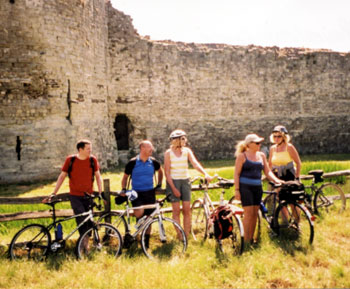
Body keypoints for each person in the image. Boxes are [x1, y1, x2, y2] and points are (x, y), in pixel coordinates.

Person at [43, 139, 103, 246]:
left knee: (89, 223)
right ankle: (84, 248)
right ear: (80, 149)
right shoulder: (71, 160)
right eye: (88, 148)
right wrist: (54, 192)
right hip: (75, 196)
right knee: (81, 221)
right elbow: (62, 176)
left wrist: (100, 192)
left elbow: (98, 177)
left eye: (90, 148)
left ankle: (84, 247)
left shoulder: (92, 160)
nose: (90, 150)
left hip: (89, 197)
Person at [164, 129, 214, 238]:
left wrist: (205, 173)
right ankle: (179, 235)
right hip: (174, 182)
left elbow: (195, 164)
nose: (185, 140)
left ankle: (186, 234)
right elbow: (167, 172)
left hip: (185, 181)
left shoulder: (187, 151)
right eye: (182, 138)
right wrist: (174, 188)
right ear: (176, 140)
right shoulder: (168, 153)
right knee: (176, 211)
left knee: (187, 210)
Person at [234, 133, 282, 245]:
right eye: (257, 143)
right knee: (248, 213)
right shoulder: (242, 156)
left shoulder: (261, 155)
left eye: (260, 143)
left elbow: (267, 171)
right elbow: (236, 174)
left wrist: (277, 180)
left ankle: (251, 239)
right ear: (249, 144)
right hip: (245, 187)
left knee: (255, 213)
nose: (259, 144)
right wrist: (237, 190)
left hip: (257, 187)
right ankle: (245, 240)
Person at [121, 140, 163, 220]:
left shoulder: (153, 162)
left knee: (149, 216)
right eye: (149, 147)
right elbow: (125, 177)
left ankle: (146, 233)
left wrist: (159, 184)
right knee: (139, 213)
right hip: (136, 192)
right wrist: (123, 189)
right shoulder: (132, 162)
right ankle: (139, 230)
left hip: (149, 192)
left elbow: (160, 172)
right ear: (142, 148)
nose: (152, 149)